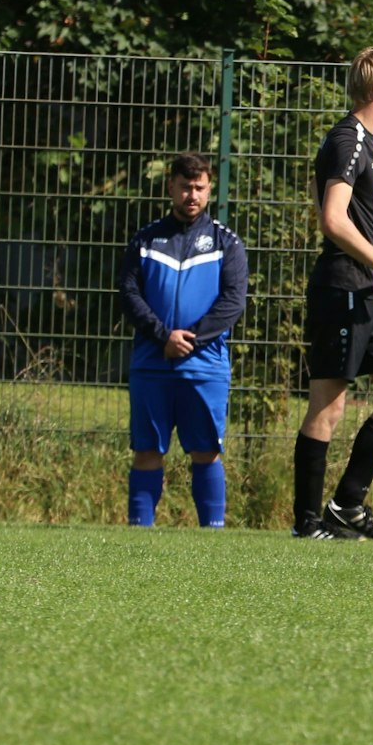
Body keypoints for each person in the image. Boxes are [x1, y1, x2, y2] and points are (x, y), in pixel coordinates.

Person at [291, 48, 373, 541]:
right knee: (329, 406)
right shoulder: (348, 138)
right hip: (346, 287)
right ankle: (308, 522)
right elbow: (331, 219)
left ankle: (348, 503)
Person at [114, 155, 247, 528]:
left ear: (209, 189)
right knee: (147, 451)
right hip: (152, 362)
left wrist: (190, 340)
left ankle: (212, 535)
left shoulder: (226, 243)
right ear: (170, 186)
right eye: (185, 187)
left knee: (206, 451)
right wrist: (163, 336)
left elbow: (233, 302)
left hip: (204, 366)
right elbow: (128, 293)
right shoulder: (145, 239)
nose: (192, 195)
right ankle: (139, 531)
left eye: (199, 187)